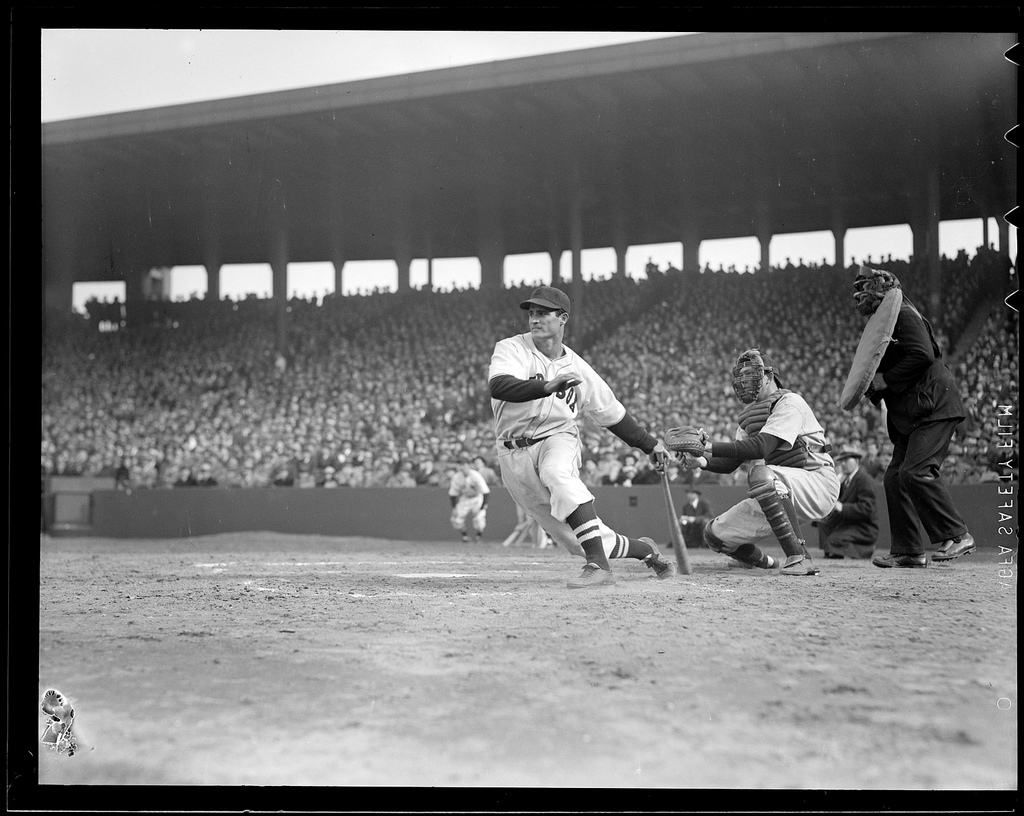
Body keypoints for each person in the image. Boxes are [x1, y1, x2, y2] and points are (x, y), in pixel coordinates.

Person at [487, 285, 674, 588]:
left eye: (543, 313)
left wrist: (650, 445)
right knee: (576, 540)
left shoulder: (579, 369)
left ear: (562, 318)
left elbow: (612, 414)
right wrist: (545, 387)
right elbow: (499, 386)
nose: (534, 319)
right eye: (531, 313)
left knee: (557, 473)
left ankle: (599, 566)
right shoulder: (512, 348)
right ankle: (644, 549)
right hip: (511, 452)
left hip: (557, 437)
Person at [677, 348, 840, 576]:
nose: (743, 380)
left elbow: (761, 447)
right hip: (781, 489)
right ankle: (765, 562)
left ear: (769, 376)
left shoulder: (790, 401)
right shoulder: (749, 416)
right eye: (741, 376)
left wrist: (708, 446)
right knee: (714, 535)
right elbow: (731, 463)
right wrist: (701, 461)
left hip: (817, 482)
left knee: (761, 473)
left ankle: (801, 557)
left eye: (751, 374)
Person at [853, 266, 975, 568]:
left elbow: (922, 355)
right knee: (894, 478)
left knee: (915, 471)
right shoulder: (884, 322)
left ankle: (958, 535)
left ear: (885, 289)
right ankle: (908, 550)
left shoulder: (903, 314)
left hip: (934, 405)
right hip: (914, 411)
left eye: (868, 287)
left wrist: (884, 380)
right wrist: (874, 388)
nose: (862, 294)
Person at [815, 445, 879, 559]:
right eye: (842, 461)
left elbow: (867, 509)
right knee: (823, 524)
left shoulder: (865, 480)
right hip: (850, 523)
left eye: (846, 460)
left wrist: (842, 507)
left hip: (864, 527)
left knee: (834, 540)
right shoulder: (845, 480)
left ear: (857, 461)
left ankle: (865, 549)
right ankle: (833, 550)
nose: (843, 464)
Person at [448, 452, 490, 543]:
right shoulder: (456, 477)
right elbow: (453, 494)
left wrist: (483, 507)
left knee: (479, 521)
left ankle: (479, 536)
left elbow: (486, 492)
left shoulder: (476, 475)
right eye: (459, 465)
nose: (461, 467)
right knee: (456, 520)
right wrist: (454, 508)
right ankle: (465, 536)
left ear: (468, 465)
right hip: (465, 498)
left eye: (463, 464)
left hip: (477, 498)